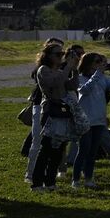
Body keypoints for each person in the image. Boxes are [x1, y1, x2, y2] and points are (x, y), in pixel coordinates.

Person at [27, 42, 78, 190]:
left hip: (62, 112)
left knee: (59, 148)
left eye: (62, 54)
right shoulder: (44, 70)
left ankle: (50, 182)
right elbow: (53, 83)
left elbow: (71, 86)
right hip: (50, 111)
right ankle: (37, 182)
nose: (61, 57)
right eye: (58, 54)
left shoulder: (58, 70)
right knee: (46, 149)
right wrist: (67, 67)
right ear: (47, 56)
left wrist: (74, 69)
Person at [68, 53, 110, 190]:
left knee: (93, 152)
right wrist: (97, 74)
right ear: (88, 63)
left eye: (102, 62)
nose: (101, 64)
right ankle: (76, 179)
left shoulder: (102, 77)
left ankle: (89, 178)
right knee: (83, 150)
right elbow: (85, 90)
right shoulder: (80, 78)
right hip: (85, 120)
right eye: (97, 61)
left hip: (99, 120)